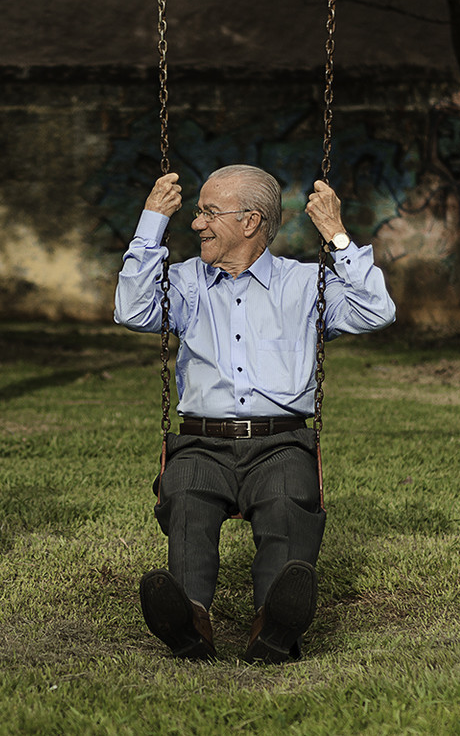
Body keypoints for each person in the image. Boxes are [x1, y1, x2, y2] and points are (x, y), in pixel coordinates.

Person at [114, 165, 395, 663]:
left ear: (250, 222)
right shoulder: (184, 283)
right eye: (196, 212)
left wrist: (337, 234)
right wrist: (150, 223)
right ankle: (190, 620)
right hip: (201, 440)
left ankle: (274, 621)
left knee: (289, 499)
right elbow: (132, 310)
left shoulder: (307, 284)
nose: (196, 222)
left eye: (207, 212)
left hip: (281, 441)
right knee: (186, 495)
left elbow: (377, 310)